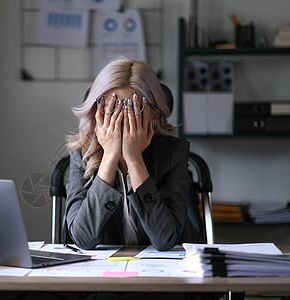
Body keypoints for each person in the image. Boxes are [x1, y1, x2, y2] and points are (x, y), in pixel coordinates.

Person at [65, 56, 203, 250]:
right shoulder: (82, 154)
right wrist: (110, 157)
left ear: (154, 114)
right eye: (111, 108)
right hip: (105, 271)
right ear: (96, 111)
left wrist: (134, 158)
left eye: (132, 109)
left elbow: (166, 239)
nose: (120, 119)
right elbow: (83, 239)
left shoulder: (173, 153)